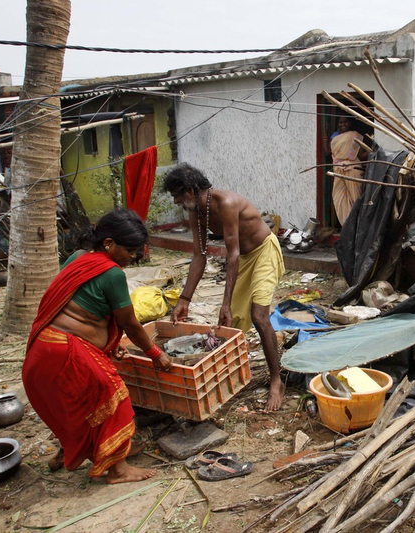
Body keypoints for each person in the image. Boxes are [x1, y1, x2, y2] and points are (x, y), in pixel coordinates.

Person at [23, 209, 173, 484]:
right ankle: (118, 470)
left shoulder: (78, 258)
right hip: (68, 352)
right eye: (129, 250)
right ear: (108, 244)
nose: (134, 257)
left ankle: (75, 451)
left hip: (43, 347)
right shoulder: (112, 274)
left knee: (79, 405)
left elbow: (82, 305)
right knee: (114, 398)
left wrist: (108, 344)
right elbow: (130, 324)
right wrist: (155, 353)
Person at [162, 164, 286, 411]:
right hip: (244, 258)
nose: (176, 202)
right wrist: (184, 299)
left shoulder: (226, 202)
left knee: (259, 316)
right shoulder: (197, 211)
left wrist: (225, 302)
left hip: (263, 252)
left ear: (190, 189)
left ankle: (276, 381)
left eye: (177, 195)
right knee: (233, 323)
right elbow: (199, 255)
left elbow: (233, 255)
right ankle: (229, 376)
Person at [323, 115, 371, 225]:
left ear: (349, 123)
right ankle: (346, 225)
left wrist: (372, 151)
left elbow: (361, 155)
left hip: (353, 170)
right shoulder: (334, 137)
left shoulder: (355, 136)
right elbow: (326, 152)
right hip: (338, 171)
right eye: (340, 122)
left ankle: (357, 225)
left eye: (345, 122)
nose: (342, 124)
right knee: (338, 198)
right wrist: (324, 133)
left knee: (355, 198)